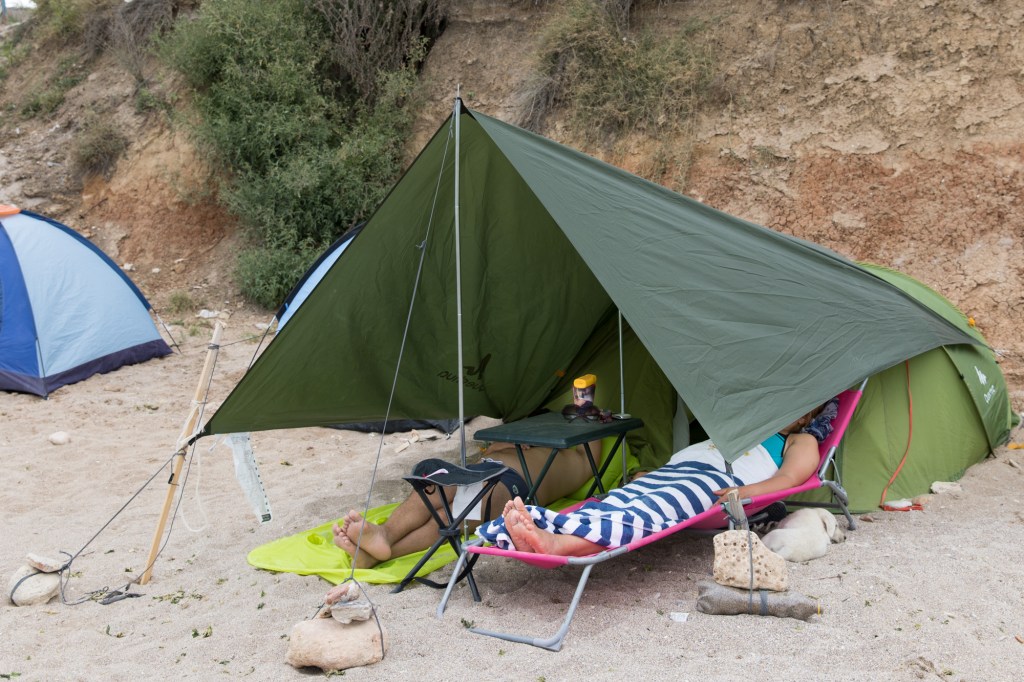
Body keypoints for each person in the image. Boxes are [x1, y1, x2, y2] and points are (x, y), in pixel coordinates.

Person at [477, 403, 835, 557]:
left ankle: (557, 545)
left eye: (800, 408)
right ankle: (546, 528)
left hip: (713, 486)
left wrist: (743, 493)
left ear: (808, 416)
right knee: (616, 501)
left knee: (647, 514)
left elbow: (790, 479)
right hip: (672, 473)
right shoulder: (739, 430)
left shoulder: (797, 441)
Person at [332, 437, 603, 568]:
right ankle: (382, 542)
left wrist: (586, 412)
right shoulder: (561, 454)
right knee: (441, 495)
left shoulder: (580, 459)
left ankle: (385, 539)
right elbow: (491, 446)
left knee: (450, 513)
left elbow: (592, 444)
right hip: (482, 471)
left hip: (511, 485)